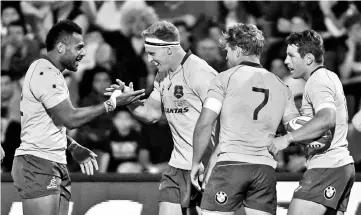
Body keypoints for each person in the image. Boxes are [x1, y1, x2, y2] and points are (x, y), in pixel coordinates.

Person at [11, 20, 145, 215]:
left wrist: (71, 145)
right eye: (79, 47)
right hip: (39, 163)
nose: (83, 53)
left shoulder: (51, 74)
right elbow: (71, 119)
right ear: (60, 47)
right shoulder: (44, 72)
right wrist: (112, 103)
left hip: (52, 160)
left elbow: (44, 123)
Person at [106, 20, 218, 215]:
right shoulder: (162, 75)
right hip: (177, 166)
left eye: (152, 53)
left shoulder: (200, 73)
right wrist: (129, 101)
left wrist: (212, 162)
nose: (149, 59)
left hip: (205, 165)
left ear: (168, 49)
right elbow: (151, 114)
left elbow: (225, 117)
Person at [190, 23, 300, 215]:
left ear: (239, 50)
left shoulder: (224, 79)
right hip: (264, 170)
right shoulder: (281, 85)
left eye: (228, 51)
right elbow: (295, 127)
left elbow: (205, 123)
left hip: (231, 166)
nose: (226, 56)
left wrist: (196, 162)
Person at [268, 30, 355, 215]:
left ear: (308, 59)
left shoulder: (318, 81)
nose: (286, 61)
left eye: (291, 56)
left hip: (328, 167)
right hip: (339, 166)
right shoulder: (328, 76)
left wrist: (287, 138)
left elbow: (327, 118)